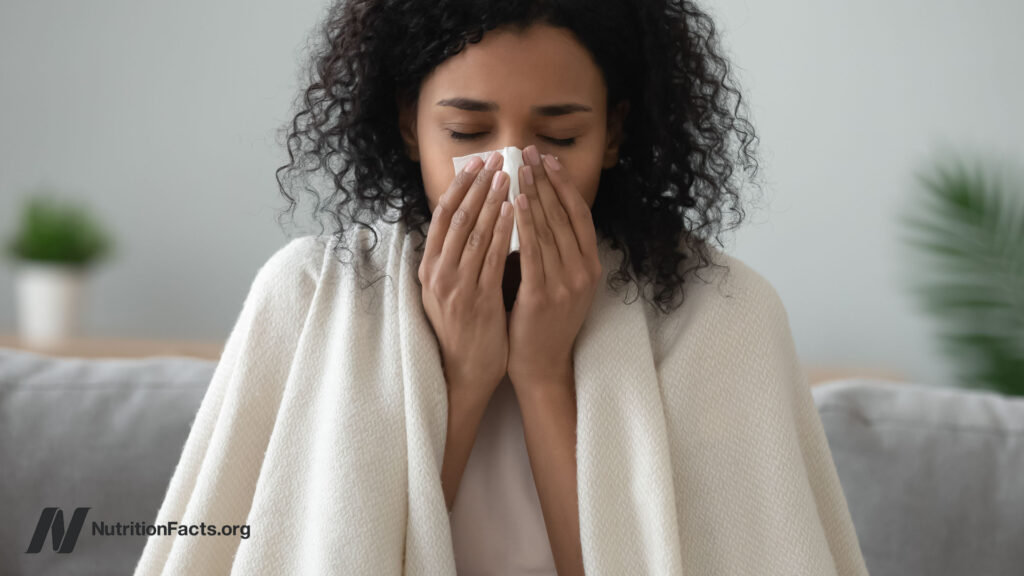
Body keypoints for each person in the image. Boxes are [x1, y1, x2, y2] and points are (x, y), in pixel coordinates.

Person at [135, 1, 869, 575]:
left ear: (613, 135)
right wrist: (461, 376)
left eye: (558, 139)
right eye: (465, 133)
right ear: (407, 125)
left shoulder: (721, 314)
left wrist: (544, 375)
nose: (511, 172)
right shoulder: (309, 296)